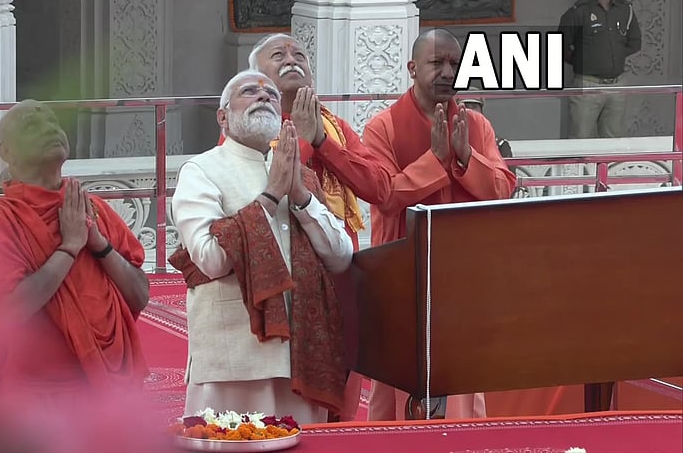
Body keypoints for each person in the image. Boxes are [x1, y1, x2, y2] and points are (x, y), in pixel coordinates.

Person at [230, 33, 398, 420]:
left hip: (340, 272)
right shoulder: (246, 130)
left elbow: (380, 187)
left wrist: (322, 140)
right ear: (257, 76)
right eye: (279, 55)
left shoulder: (333, 127)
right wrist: (303, 143)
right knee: (287, 394)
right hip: (283, 279)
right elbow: (258, 192)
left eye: (299, 54)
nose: (292, 59)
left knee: (345, 378)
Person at [169, 70, 353, 425]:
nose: (264, 96)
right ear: (222, 117)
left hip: (302, 359)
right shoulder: (201, 170)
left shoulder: (300, 176)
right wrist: (270, 197)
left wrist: (299, 195)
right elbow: (209, 259)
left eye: (270, 93)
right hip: (233, 360)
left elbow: (341, 255)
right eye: (249, 91)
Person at [362, 28, 517, 420]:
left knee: (463, 375)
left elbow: (502, 189)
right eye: (437, 63)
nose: (448, 72)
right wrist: (435, 161)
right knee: (397, 380)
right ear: (413, 68)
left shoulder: (475, 126)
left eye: (455, 63)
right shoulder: (383, 127)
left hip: (462, 274)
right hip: (402, 272)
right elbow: (386, 195)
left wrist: (466, 159)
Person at [0, 99, 151, 403]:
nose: (49, 128)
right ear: (7, 153)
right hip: (39, 392)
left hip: (113, 389)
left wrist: (100, 245)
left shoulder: (92, 208)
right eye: (32, 125)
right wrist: (68, 248)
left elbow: (140, 295)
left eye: (53, 121)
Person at [558, 0, 641, 138]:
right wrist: (585, 59)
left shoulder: (625, 10)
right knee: (581, 140)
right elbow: (560, 46)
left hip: (617, 86)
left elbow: (635, 42)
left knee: (612, 142)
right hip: (587, 85)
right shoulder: (578, 11)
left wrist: (613, 56)